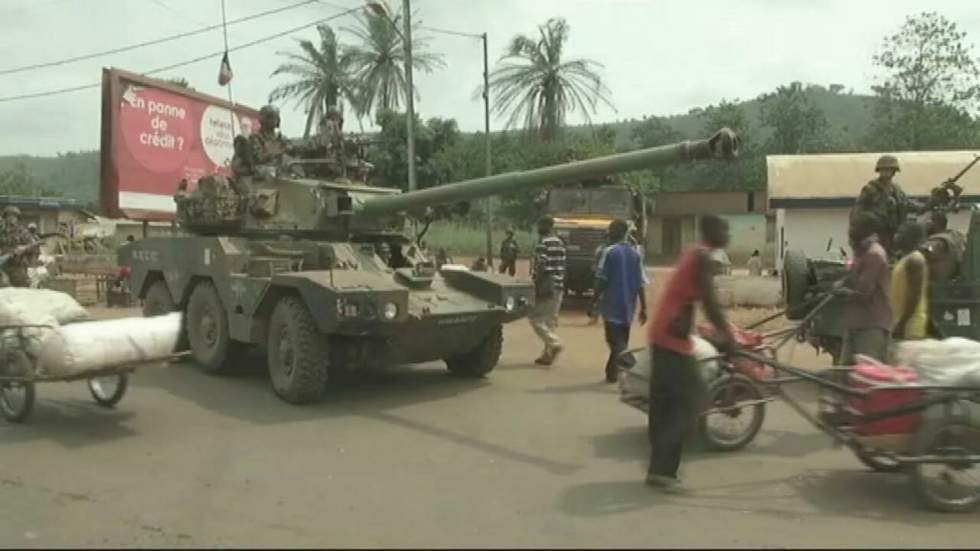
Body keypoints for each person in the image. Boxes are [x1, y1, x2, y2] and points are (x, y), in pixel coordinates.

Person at [646, 214, 735, 492]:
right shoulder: (702, 258)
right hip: (673, 339)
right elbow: (710, 303)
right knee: (692, 401)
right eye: (725, 229)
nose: (728, 234)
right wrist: (729, 337)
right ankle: (664, 472)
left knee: (664, 404)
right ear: (713, 231)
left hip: (662, 333)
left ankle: (657, 469)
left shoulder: (693, 252)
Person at [833, 213, 892, 364]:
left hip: (871, 325)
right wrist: (841, 282)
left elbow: (863, 293)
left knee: (868, 374)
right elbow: (852, 276)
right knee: (844, 373)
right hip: (855, 322)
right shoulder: (861, 252)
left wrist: (843, 292)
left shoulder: (875, 255)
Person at [594, 219, 648, 383]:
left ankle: (637, 369)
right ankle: (611, 374)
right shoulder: (635, 253)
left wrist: (593, 300)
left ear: (611, 232)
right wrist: (644, 307)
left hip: (611, 305)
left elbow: (602, 279)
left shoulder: (609, 252)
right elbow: (640, 283)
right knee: (620, 341)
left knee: (616, 343)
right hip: (628, 307)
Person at [850, 154, 925, 257]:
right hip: (877, 233)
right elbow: (858, 211)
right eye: (883, 170)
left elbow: (906, 203)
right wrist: (872, 220)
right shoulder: (871, 189)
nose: (886, 172)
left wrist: (926, 206)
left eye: (889, 170)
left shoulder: (896, 189)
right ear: (879, 170)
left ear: (894, 171)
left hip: (894, 233)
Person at [529, 216, 566, 366]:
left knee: (535, 319)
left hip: (546, 285)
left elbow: (541, 265)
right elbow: (563, 266)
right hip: (558, 285)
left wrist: (536, 283)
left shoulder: (542, 243)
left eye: (540, 224)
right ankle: (547, 355)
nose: (539, 228)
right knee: (551, 321)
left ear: (546, 226)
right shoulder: (560, 243)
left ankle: (555, 343)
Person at [891, 222, 929, 341]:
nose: (896, 236)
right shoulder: (905, 258)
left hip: (910, 328)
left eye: (900, 233)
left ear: (911, 237)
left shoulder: (915, 260)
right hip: (902, 325)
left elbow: (914, 296)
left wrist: (901, 324)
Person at [0, 206, 35, 288]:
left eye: (14, 216)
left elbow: (32, 245)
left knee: (21, 290)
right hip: (3, 266)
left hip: (18, 267)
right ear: (5, 218)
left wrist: (24, 248)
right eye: (8, 216)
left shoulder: (22, 232)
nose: (11, 218)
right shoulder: (1, 232)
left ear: (17, 218)